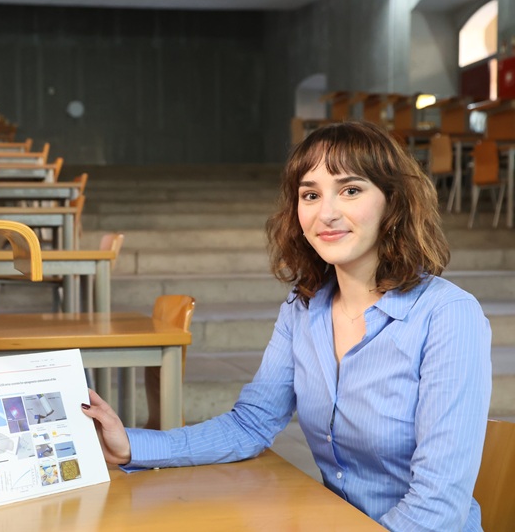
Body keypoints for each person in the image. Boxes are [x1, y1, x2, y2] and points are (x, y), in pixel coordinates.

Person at [82, 120, 492, 531]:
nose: (327, 213)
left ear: (393, 201)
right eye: (310, 195)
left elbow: (437, 505)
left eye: (350, 190)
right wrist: (130, 445)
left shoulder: (448, 315)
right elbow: (251, 423)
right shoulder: (304, 306)